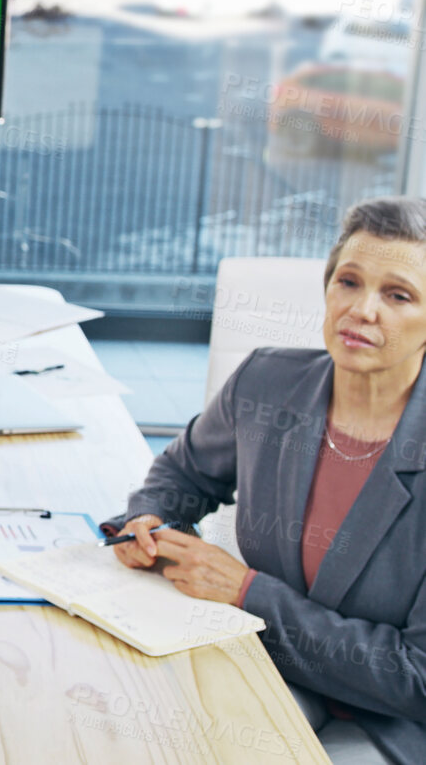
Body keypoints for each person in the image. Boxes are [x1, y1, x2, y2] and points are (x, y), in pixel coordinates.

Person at [108, 196, 426, 765]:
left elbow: (415, 678)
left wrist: (247, 592)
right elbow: (183, 472)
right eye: (348, 282)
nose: (362, 310)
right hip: (263, 668)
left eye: (397, 295)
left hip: (388, 721)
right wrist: (150, 518)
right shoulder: (267, 383)